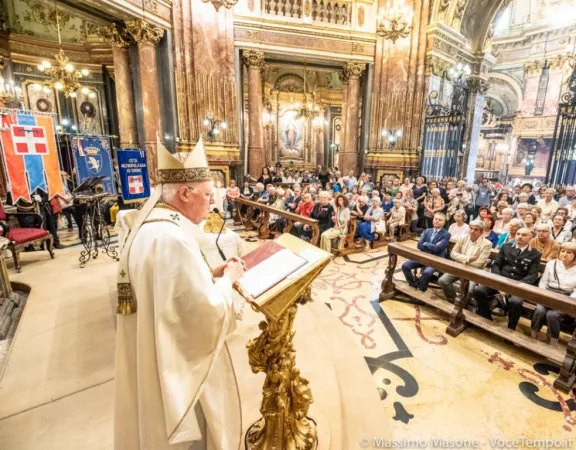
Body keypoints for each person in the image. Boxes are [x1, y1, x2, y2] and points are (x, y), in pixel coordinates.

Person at [115, 139, 245, 450]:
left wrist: (210, 273)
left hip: (151, 354)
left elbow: (166, 288)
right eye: (208, 195)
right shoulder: (170, 237)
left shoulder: (152, 227)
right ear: (185, 193)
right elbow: (202, 312)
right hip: (176, 370)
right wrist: (229, 280)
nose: (212, 204)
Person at [472, 228, 541, 331]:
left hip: (518, 286)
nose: (520, 237)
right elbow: (496, 265)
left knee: (516, 302)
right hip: (500, 281)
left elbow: (532, 275)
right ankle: (486, 317)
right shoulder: (506, 247)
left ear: (530, 237)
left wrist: (511, 288)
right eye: (518, 234)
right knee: (478, 290)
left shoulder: (535, 254)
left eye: (524, 235)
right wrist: (500, 283)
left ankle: (511, 328)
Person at [531, 242, 576, 347]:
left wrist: (568, 301)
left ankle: (552, 342)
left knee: (552, 315)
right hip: (548, 294)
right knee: (539, 311)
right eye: (562, 251)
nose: (564, 254)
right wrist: (543, 294)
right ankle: (533, 337)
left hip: (566, 298)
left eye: (569, 252)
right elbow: (543, 282)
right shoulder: (552, 264)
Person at [438, 220, 492, 303]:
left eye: (476, 229)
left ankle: (464, 306)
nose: (472, 231)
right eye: (471, 228)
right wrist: (468, 258)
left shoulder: (487, 244)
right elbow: (453, 254)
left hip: (474, 272)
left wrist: (460, 259)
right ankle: (453, 302)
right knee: (442, 281)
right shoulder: (463, 238)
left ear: (481, 232)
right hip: (459, 268)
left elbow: (479, 263)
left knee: (469, 290)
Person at [401, 213, 450, 292]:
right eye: (435, 219)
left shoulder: (446, 234)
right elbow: (419, 245)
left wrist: (426, 244)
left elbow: (438, 249)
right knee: (405, 266)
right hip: (423, 257)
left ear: (444, 222)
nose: (437, 221)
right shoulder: (427, 231)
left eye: (440, 220)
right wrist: (432, 246)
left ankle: (422, 289)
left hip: (436, 259)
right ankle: (413, 284)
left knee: (427, 272)